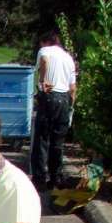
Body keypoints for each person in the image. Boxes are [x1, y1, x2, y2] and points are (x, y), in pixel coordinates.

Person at [30, 31, 77, 191]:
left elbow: (43, 61)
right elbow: (72, 88)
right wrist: (71, 108)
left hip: (49, 96)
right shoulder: (68, 58)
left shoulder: (45, 51)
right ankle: (55, 177)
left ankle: (40, 178)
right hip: (64, 99)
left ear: (45, 42)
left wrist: (43, 81)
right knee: (57, 141)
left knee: (42, 139)